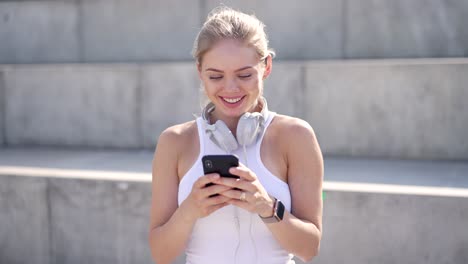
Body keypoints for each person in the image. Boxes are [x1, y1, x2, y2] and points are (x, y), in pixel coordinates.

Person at [148, 6, 323, 264]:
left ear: (266, 67)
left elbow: (309, 248)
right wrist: (189, 210)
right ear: (200, 72)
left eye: (244, 75)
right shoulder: (174, 142)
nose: (230, 88)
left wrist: (267, 206)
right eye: (215, 76)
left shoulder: (296, 136)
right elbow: (160, 255)